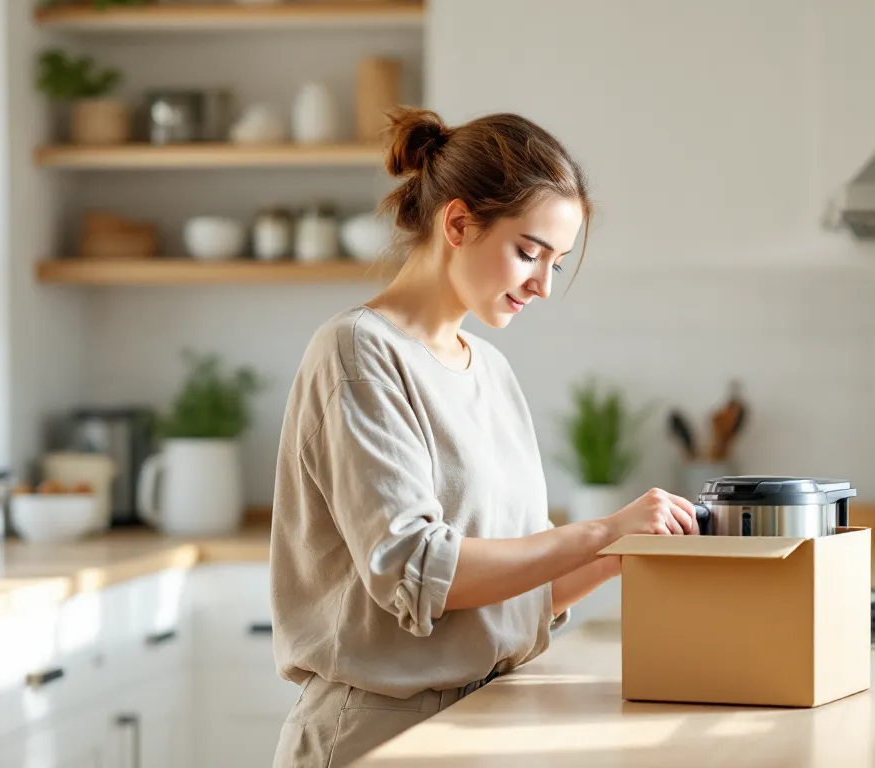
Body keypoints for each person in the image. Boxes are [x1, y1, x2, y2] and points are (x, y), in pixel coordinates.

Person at [268, 106, 700, 768]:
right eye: (529, 253)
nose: (543, 286)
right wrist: (599, 531)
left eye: (557, 262)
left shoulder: (490, 370)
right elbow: (416, 570)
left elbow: (510, 594)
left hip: (491, 716)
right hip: (378, 734)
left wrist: (625, 550)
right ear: (458, 223)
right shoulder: (357, 351)